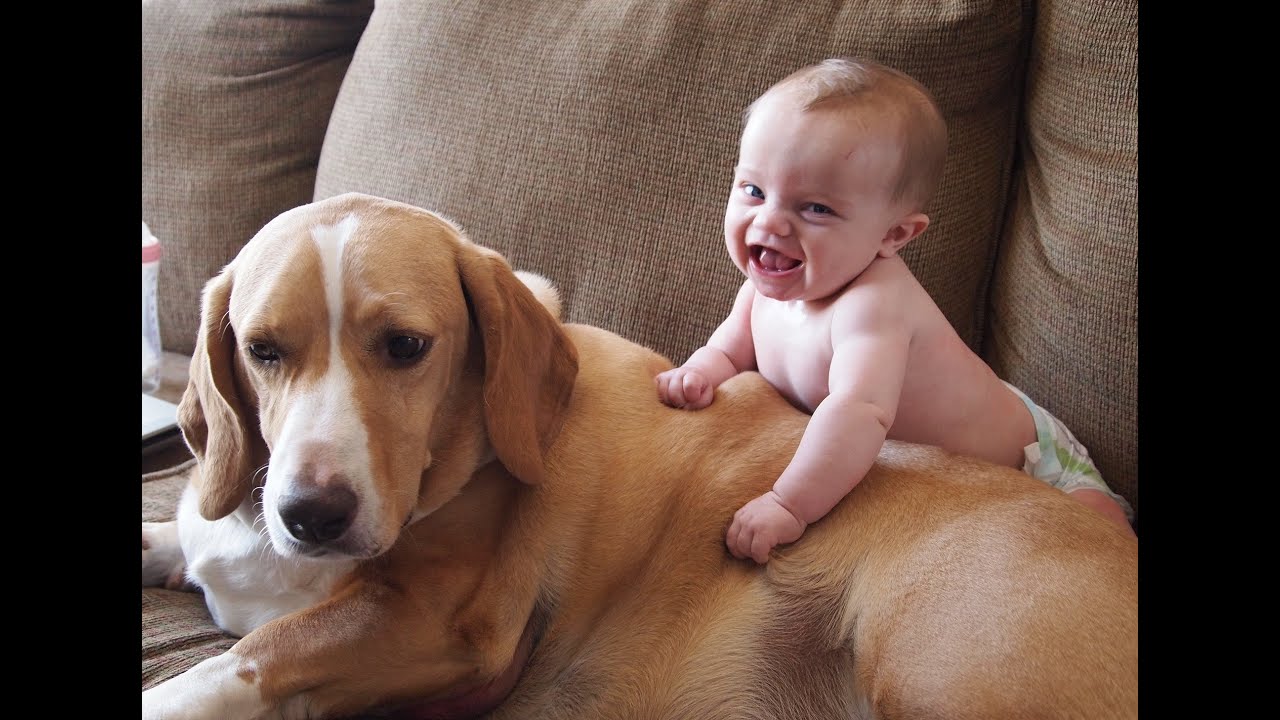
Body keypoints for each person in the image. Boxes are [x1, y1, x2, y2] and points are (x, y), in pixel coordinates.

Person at [655, 57, 1134, 564]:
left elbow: (857, 413)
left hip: (1032, 458)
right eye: (753, 190)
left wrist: (788, 503)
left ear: (893, 235)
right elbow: (729, 350)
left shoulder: (872, 307)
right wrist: (697, 374)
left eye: (815, 208)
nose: (770, 222)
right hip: (952, 473)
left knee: (1104, 547)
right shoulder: (763, 288)